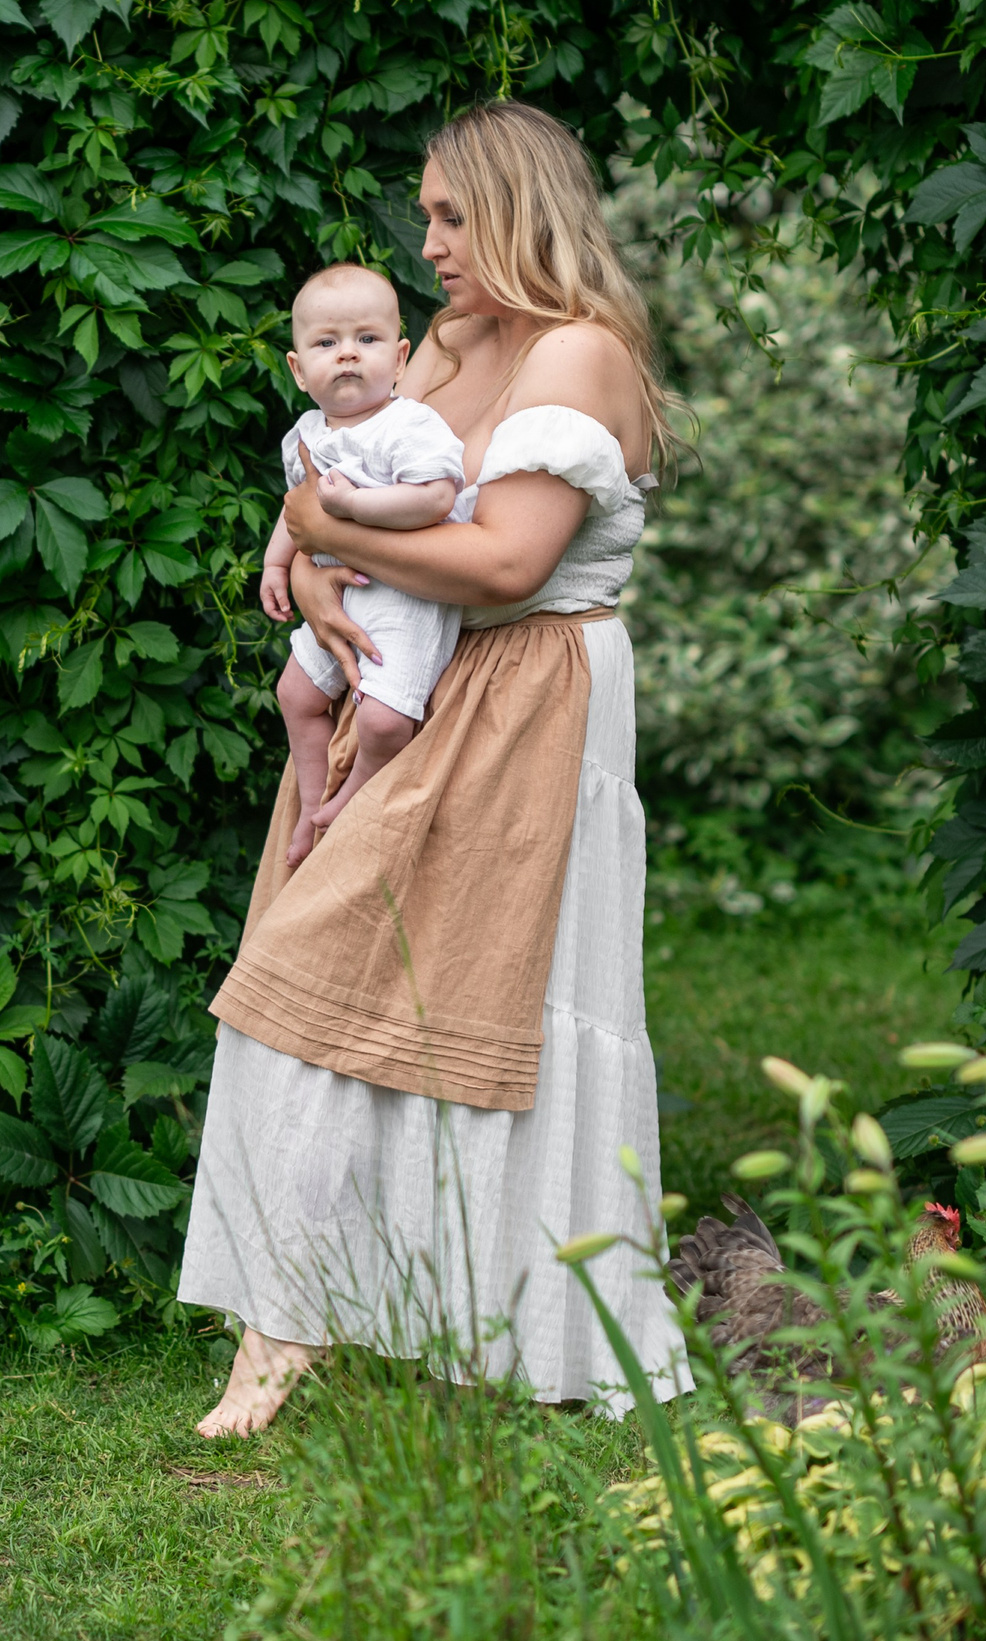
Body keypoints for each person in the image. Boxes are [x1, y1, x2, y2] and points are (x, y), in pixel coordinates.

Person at [183, 100, 689, 1437]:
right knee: (331, 969)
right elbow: (353, 474)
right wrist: (302, 533)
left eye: (452, 215)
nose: (430, 242)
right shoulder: (457, 346)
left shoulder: (579, 357)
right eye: (423, 212)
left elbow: (507, 562)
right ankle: (301, 1311)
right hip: (423, 681)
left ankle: (417, 1323)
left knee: (467, 1000)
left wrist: (313, 517)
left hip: (533, 692)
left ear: (521, 209)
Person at [260, 264, 471, 869]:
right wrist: (279, 563)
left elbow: (436, 496)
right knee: (294, 693)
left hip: (402, 597)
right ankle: (311, 801)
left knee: (383, 721)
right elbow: (295, 509)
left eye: (367, 340)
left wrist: (352, 507)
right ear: (299, 370)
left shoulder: (408, 424)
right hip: (339, 594)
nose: (348, 355)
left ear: (401, 358)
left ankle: (352, 799)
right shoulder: (306, 431)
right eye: (327, 344)